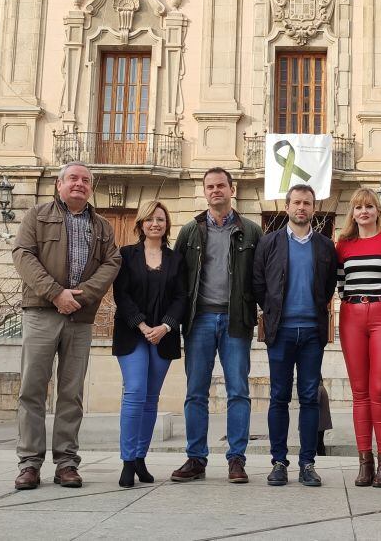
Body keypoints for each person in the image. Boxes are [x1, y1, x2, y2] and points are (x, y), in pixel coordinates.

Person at [12, 162, 122, 491]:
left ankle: (67, 463)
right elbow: (22, 254)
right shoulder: (37, 215)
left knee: (71, 393)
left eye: (85, 180)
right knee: (32, 389)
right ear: (59, 185)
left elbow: (113, 261)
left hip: (80, 318)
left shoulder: (102, 226)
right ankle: (30, 463)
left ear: (91, 188)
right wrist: (55, 293)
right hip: (42, 312)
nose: (79, 184)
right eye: (73, 178)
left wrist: (82, 296)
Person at [171, 167, 262, 484]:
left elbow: (260, 277)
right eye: (209, 186)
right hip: (199, 321)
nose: (215, 191)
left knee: (238, 391)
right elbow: (176, 277)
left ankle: (236, 459)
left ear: (231, 189)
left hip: (236, 320)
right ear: (204, 191)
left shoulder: (251, 231)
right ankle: (195, 458)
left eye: (221, 185)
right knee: (196, 392)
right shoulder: (189, 231)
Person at [253, 184, 338, 487]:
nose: (302, 208)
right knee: (278, 397)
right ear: (287, 207)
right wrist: (273, 309)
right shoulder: (269, 242)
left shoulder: (326, 246)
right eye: (296, 203)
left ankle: (308, 463)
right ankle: (278, 462)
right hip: (281, 332)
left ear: (314, 209)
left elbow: (328, 286)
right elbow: (259, 282)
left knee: (310, 398)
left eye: (307, 203)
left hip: (312, 333)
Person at [112, 200, 187, 488]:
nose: (155, 223)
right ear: (141, 224)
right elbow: (122, 294)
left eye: (160, 219)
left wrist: (165, 326)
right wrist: (143, 325)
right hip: (133, 333)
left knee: (151, 398)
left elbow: (181, 296)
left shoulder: (176, 259)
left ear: (166, 224)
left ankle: (141, 457)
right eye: (150, 219)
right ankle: (127, 461)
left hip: (163, 335)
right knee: (135, 392)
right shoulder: (126, 255)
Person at [336, 187, 381, 488]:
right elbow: (340, 284)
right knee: (359, 391)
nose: (363, 212)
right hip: (351, 314)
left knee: (380, 389)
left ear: (378, 210)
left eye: (369, 207)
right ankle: (365, 460)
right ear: (352, 213)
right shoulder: (344, 245)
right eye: (358, 207)